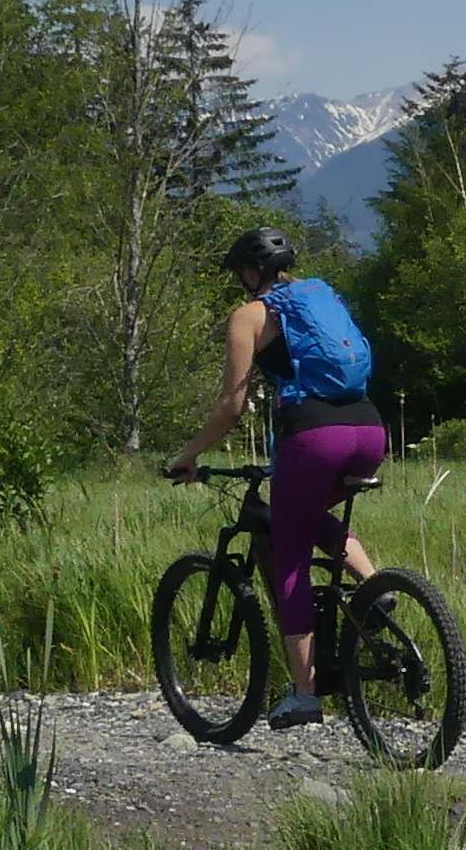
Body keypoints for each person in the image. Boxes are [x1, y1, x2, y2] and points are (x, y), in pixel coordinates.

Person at [168, 226, 389, 729]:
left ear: (249, 272)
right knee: (305, 515)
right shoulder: (321, 295)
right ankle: (376, 589)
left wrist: (189, 455)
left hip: (315, 437)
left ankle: (306, 694)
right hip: (371, 430)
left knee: (288, 555)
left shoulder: (248, 316)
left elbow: (232, 408)